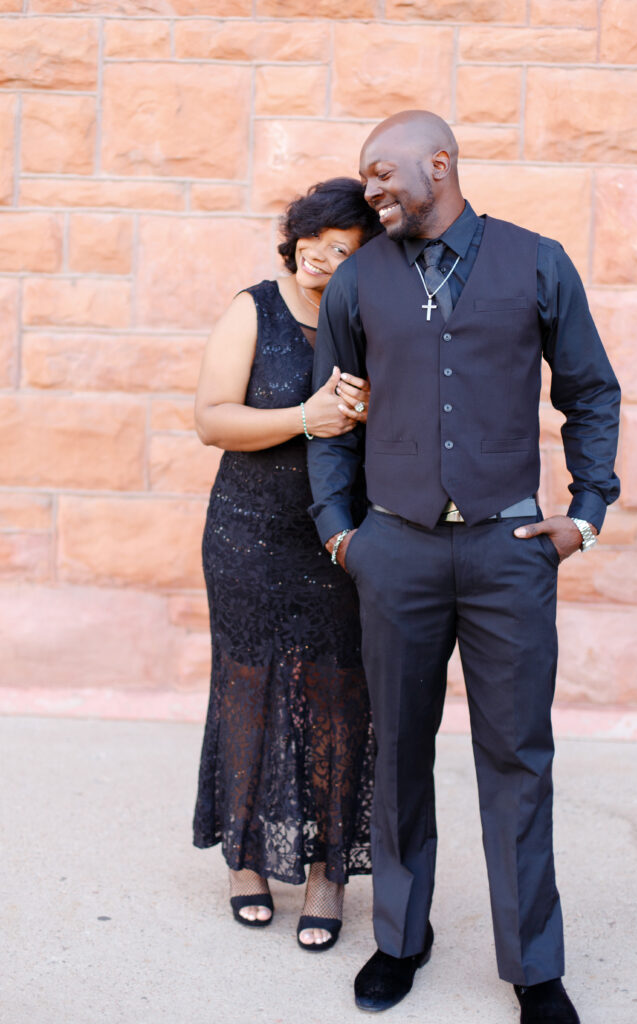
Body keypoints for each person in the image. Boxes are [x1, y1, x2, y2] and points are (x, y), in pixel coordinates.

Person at [307, 112, 620, 1020]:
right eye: (365, 177)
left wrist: (585, 513)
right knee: (398, 750)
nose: (369, 191)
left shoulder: (536, 261)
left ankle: (533, 965)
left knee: (517, 757)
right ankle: (401, 938)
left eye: (381, 173)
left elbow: (590, 391)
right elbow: (331, 413)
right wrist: (341, 532)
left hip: (507, 552)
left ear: (438, 163)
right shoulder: (359, 280)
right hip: (393, 550)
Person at [192, 178, 381, 952]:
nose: (322, 256)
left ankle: (326, 874)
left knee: (340, 698)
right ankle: (245, 861)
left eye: (345, 249)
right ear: (295, 233)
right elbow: (211, 420)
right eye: (316, 238)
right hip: (246, 535)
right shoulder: (255, 308)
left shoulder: (369, 321)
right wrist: (307, 417)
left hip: (339, 538)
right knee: (247, 688)